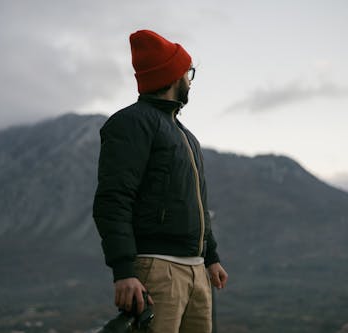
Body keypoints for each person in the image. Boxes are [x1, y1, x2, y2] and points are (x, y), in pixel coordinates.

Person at [93, 29, 228, 333]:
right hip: (157, 270)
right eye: (188, 72)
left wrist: (211, 257)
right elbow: (113, 198)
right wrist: (124, 271)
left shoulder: (186, 136)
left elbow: (198, 204)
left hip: (196, 271)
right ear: (174, 75)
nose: (191, 80)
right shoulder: (131, 123)